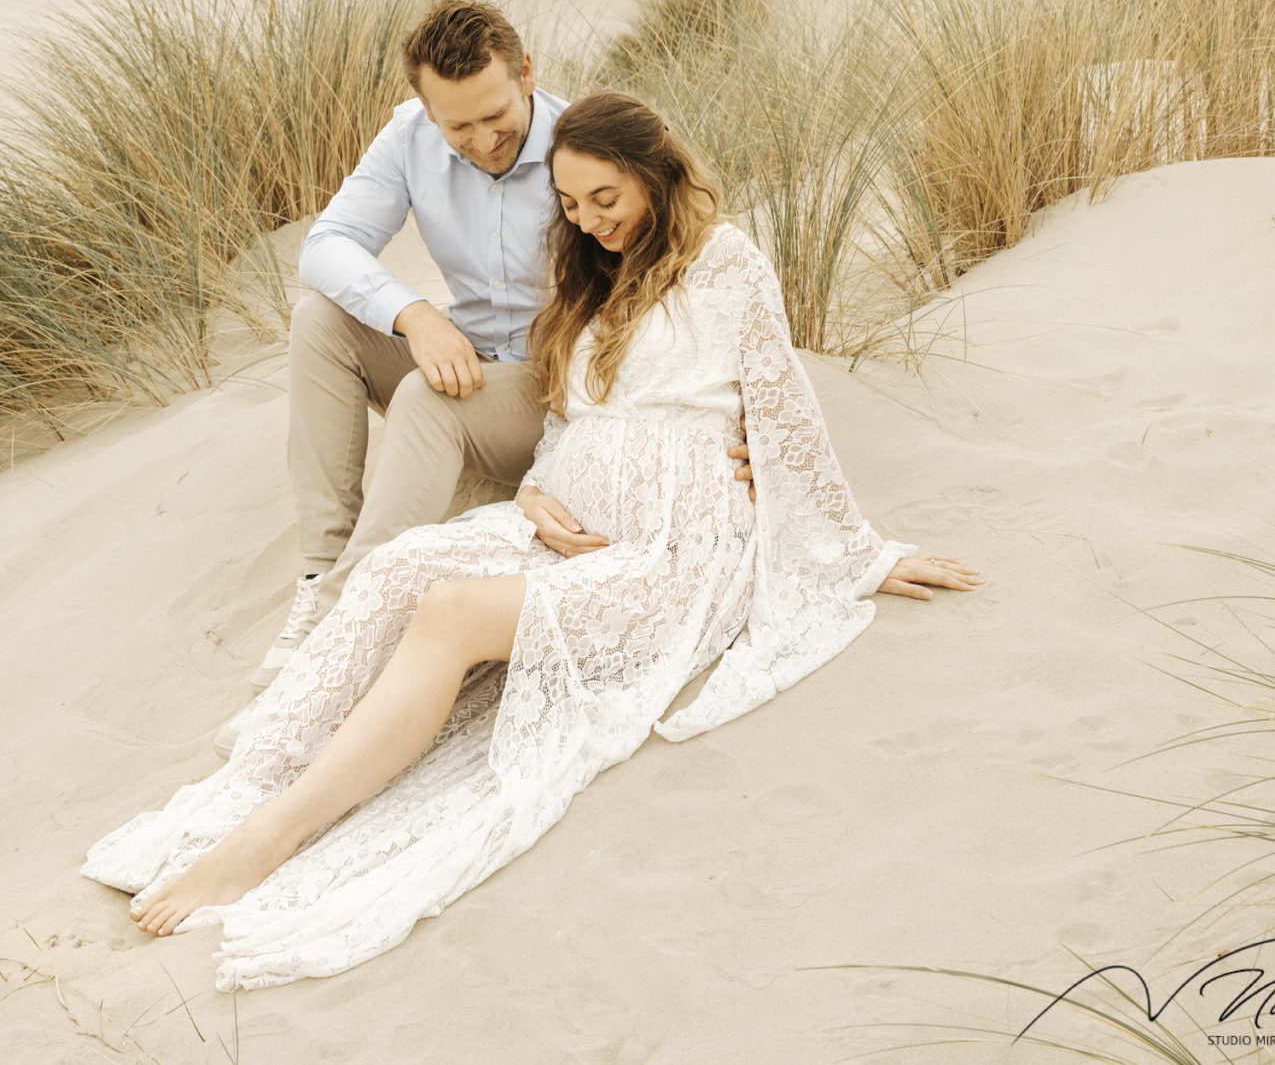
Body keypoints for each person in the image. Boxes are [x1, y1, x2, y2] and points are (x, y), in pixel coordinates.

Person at [84, 91, 982, 990]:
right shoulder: (590, 276)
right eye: (570, 203)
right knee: (402, 565)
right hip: (566, 528)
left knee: (450, 611)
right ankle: (265, 776)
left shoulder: (726, 261)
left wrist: (862, 552)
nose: (588, 222)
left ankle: (266, 841)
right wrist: (540, 490)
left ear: (657, 175)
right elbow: (566, 421)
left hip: (678, 553)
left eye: (606, 199)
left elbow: (785, 407)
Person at [254, 0, 749, 720]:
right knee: (319, 321)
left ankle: (348, 623)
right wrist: (414, 314)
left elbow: (677, 296)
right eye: (459, 126)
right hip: (467, 356)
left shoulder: (583, 153)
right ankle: (321, 573)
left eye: (498, 115)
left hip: (557, 391)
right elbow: (325, 245)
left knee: (429, 398)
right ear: (427, 110)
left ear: (525, 73)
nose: (485, 139)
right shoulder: (408, 138)